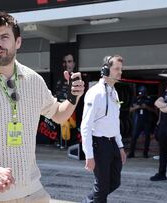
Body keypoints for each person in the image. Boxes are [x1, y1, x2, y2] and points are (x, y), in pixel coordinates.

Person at [0, 10, 85, 203]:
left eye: (4, 37)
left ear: (18, 42)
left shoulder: (33, 80)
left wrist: (73, 97)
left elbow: (57, 114)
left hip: (33, 192)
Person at [81, 55, 126, 203]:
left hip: (112, 143)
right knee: (102, 187)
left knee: (114, 182)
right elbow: (86, 126)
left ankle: (89, 200)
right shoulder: (95, 93)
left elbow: (115, 122)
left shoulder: (114, 92)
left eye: (121, 69)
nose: (120, 72)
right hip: (99, 145)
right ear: (106, 70)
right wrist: (89, 155)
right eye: (117, 69)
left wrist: (120, 146)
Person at [55, 53, 76, 148]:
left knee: (72, 127)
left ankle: (71, 144)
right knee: (61, 126)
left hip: (73, 109)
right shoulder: (59, 79)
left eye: (70, 61)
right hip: (60, 108)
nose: (67, 64)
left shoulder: (77, 78)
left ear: (74, 64)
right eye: (65, 62)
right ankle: (61, 143)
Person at [128, 85, 155, 158]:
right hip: (138, 120)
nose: (142, 94)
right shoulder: (135, 99)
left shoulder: (149, 99)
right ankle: (131, 153)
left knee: (147, 137)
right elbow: (130, 110)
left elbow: (154, 110)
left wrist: (146, 107)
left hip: (147, 120)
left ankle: (145, 153)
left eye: (143, 92)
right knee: (134, 137)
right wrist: (138, 107)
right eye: (140, 92)